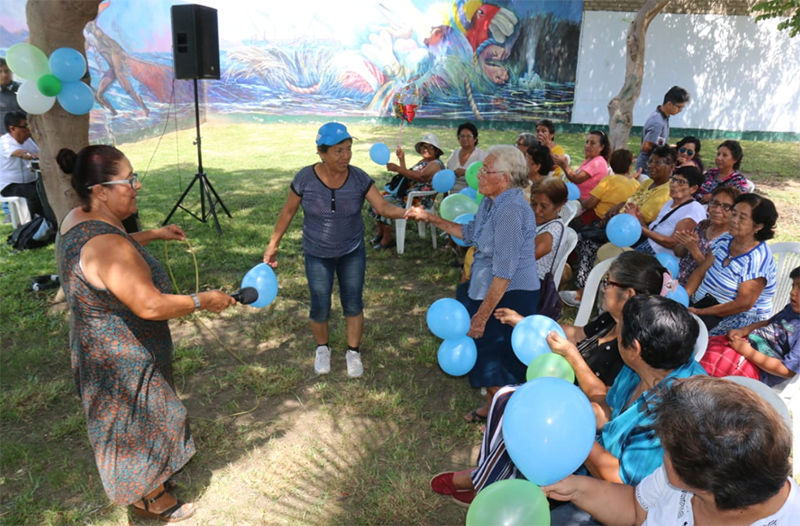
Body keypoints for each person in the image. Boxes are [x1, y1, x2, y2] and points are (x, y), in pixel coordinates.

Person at [56, 145, 236, 522]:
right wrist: (203, 300)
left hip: (98, 343)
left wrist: (154, 234)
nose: (137, 186)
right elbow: (150, 305)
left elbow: (108, 252)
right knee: (142, 419)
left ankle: (148, 485)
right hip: (120, 353)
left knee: (135, 418)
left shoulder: (79, 218)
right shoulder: (107, 243)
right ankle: (150, 498)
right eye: (129, 181)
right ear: (101, 190)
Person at [432, 295, 705, 507]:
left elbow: (621, 483)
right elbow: (609, 406)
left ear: (635, 349)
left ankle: (487, 482)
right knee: (514, 401)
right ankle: (487, 479)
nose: (616, 332)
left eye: (622, 329)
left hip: (623, 497)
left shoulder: (677, 414)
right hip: (597, 454)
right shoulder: (650, 365)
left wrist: (568, 433)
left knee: (532, 426)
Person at [543, 376, 798, 526]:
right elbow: (636, 507)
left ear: (699, 480)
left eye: (666, 450)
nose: (661, 454)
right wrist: (575, 488)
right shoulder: (695, 478)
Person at [407, 146, 538, 421]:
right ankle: (492, 408)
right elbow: (468, 234)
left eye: (485, 170)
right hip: (487, 287)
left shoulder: (510, 210)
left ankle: (504, 420)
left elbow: (504, 273)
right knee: (488, 358)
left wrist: (480, 317)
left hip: (508, 295)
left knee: (499, 360)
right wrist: (431, 218)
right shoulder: (492, 202)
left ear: (503, 178)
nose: (477, 175)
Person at [264, 123, 406, 378]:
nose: (346, 156)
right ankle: (323, 349)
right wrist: (273, 244)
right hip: (317, 252)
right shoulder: (305, 178)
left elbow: (383, 207)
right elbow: (288, 212)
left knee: (353, 302)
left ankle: (353, 352)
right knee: (319, 304)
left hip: (352, 250)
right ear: (322, 153)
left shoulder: (359, 178)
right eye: (339, 151)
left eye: (349, 149)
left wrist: (409, 213)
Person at [560, 146, 674, 307]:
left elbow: (643, 217)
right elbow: (630, 200)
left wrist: (618, 216)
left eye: (658, 162)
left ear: (671, 166)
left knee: (589, 243)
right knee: (585, 235)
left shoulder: (666, 191)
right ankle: (585, 287)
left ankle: (584, 292)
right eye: (650, 161)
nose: (652, 165)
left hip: (635, 235)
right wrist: (615, 208)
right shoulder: (647, 182)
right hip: (619, 226)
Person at [686, 193, 778, 336]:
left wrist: (699, 312)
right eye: (733, 214)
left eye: (742, 218)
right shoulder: (726, 238)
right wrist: (684, 299)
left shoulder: (757, 259)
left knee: (686, 338)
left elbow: (742, 304)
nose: (734, 220)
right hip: (703, 305)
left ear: (758, 226)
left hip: (736, 317)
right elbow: (701, 270)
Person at [700, 266, 800, 386]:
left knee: (712, 366)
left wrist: (747, 351)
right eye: (793, 285)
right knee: (705, 345)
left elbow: (787, 371)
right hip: (746, 345)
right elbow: (768, 322)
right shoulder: (791, 310)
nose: (792, 292)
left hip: (757, 371)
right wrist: (742, 331)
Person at [373, 132, 444, 249]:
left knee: (385, 203)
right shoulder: (423, 162)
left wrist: (397, 168)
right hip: (408, 195)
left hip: (419, 200)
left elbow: (421, 177)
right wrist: (402, 160)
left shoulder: (435, 164)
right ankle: (380, 233)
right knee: (377, 199)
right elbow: (408, 174)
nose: (425, 149)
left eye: (429, 147)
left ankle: (387, 239)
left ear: (436, 150)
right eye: (423, 146)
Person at [627, 165, 706, 257]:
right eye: (673, 179)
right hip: (646, 246)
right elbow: (653, 231)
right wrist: (639, 219)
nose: (673, 184)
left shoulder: (693, 209)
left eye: (680, 182)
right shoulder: (670, 203)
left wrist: (642, 229)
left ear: (693, 188)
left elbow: (673, 243)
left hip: (659, 256)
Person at [673, 186, 740, 284]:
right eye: (715, 203)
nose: (717, 210)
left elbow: (713, 275)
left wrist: (694, 249)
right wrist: (685, 244)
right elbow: (677, 252)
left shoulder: (730, 240)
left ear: (735, 212)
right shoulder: (703, 225)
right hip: (675, 279)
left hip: (694, 289)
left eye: (726, 206)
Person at [575, 148, 639, 226]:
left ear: (612, 165)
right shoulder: (637, 185)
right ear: (630, 166)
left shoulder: (608, 180)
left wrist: (579, 200)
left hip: (597, 220)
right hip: (619, 224)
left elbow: (590, 204)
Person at [634, 86, 690, 175]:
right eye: (679, 107)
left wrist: (667, 147)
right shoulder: (658, 122)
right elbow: (646, 147)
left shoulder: (662, 116)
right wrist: (669, 155)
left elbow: (657, 143)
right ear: (669, 104)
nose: (680, 111)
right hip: (647, 168)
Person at [0, 111, 43, 217]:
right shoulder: (4, 142)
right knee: (33, 194)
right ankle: (35, 224)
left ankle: (47, 222)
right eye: (24, 127)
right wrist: (42, 158)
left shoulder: (27, 140)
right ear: (12, 129)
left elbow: (39, 151)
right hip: (10, 185)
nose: (28, 131)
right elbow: (21, 153)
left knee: (45, 191)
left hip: (31, 181)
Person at [553, 130, 610, 202]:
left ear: (602, 147)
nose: (587, 145)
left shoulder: (598, 162)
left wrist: (564, 165)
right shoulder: (590, 159)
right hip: (575, 198)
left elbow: (577, 179)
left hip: (582, 203)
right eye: (587, 142)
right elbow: (573, 177)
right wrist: (563, 165)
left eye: (592, 143)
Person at [446, 122, 486, 193]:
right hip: (453, 195)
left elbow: (485, 176)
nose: (465, 139)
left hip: (472, 195)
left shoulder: (481, 155)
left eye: (468, 136)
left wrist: (465, 172)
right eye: (462, 136)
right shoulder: (454, 154)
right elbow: (446, 177)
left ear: (475, 139)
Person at [0, 58, 22, 132]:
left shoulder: (22, 89)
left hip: (26, 138)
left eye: (6, 71)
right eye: (0, 72)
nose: (4, 75)